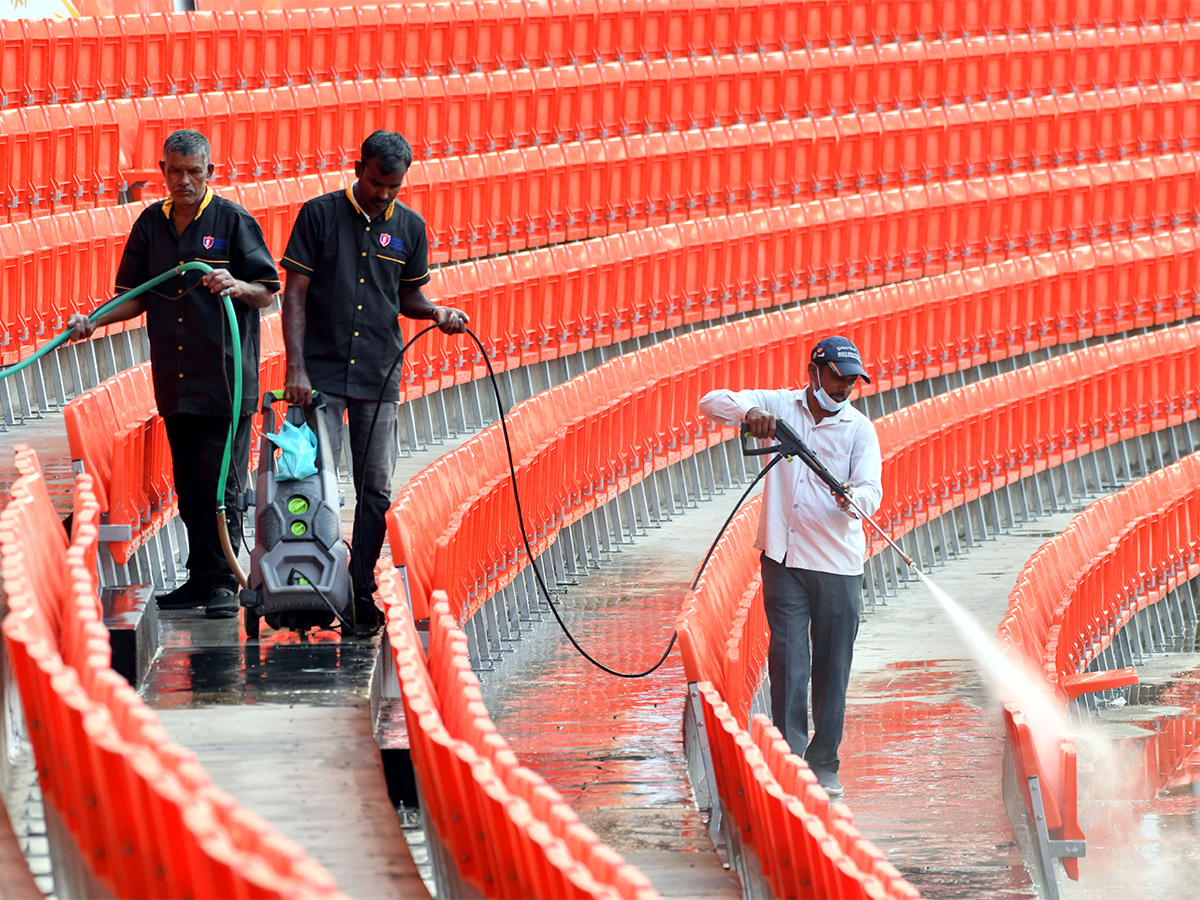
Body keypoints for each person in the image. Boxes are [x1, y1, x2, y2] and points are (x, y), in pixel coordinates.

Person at [69, 129, 280, 619]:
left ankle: (226, 581)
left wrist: (236, 283)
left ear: (210, 171)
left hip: (225, 381)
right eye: (175, 171)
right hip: (176, 378)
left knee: (220, 485)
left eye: (194, 171)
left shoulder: (233, 221)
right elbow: (136, 295)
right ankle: (201, 579)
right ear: (162, 171)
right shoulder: (150, 225)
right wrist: (93, 321)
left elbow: (266, 289)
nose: (184, 180)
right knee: (188, 484)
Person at [280, 130, 468, 629]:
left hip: (379, 372)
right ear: (357, 167)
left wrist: (436, 313)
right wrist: (294, 367)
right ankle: (314, 585)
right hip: (319, 373)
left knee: (377, 490)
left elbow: (408, 297)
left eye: (393, 187)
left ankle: (359, 588)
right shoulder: (318, 215)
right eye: (375, 183)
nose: (383, 194)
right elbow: (293, 294)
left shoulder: (410, 227)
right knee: (318, 483)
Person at [697, 335, 883, 799]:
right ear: (814, 372)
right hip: (783, 558)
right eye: (837, 377)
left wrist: (851, 500)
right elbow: (711, 402)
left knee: (831, 667)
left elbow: (871, 491)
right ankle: (788, 760)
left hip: (837, 566)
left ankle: (825, 762)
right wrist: (749, 415)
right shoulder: (780, 405)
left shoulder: (860, 430)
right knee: (788, 661)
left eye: (851, 381)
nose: (843, 387)